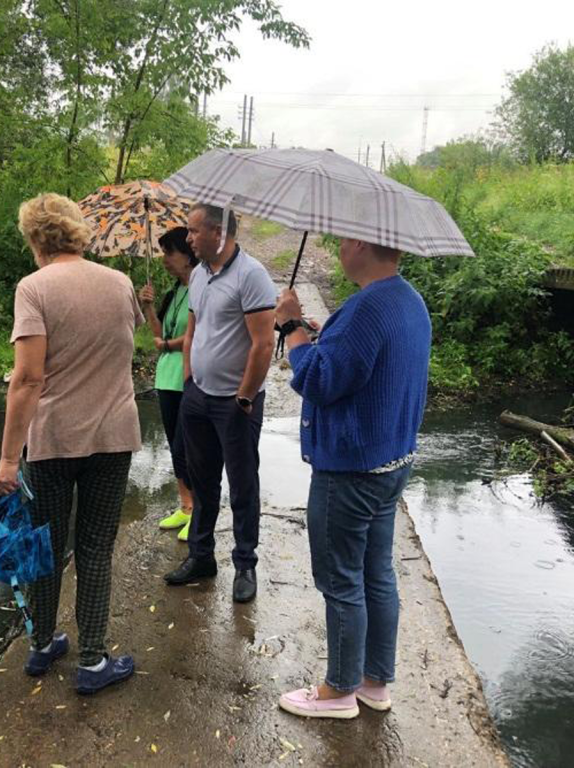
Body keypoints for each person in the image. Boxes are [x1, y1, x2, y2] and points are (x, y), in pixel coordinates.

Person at [273, 237, 431, 720]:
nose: (340, 248)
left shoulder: (367, 307)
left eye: (344, 240)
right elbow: (364, 363)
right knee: (376, 573)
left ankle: (338, 690)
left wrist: (293, 327)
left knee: (340, 578)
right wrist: (323, 334)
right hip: (390, 464)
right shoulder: (407, 300)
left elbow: (318, 381)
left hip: (351, 469)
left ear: (362, 244)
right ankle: (374, 682)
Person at [0, 192, 143, 695]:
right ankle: (94, 660)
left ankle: (41, 645)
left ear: (35, 238)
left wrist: (8, 459)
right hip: (112, 435)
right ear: (78, 231)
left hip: (54, 440)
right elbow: (124, 344)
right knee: (96, 549)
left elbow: (27, 380)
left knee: (45, 549)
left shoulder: (33, 288)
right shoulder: (120, 283)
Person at [163, 204, 277, 603]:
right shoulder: (198, 274)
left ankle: (245, 563)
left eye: (193, 231)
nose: (188, 239)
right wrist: (191, 378)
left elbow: (264, 344)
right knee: (202, 479)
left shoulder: (252, 276)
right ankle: (201, 555)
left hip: (235, 403)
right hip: (199, 397)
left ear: (217, 232)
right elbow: (194, 326)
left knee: (243, 484)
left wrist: (245, 396)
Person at [138, 228, 198, 541]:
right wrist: (148, 307)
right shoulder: (175, 292)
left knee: (187, 446)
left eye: (168, 253)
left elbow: (197, 335)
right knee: (174, 444)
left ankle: (199, 511)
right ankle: (185, 507)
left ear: (187, 255)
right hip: (167, 377)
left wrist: (169, 345)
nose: (164, 260)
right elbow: (159, 333)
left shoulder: (201, 287)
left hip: (190, 376)